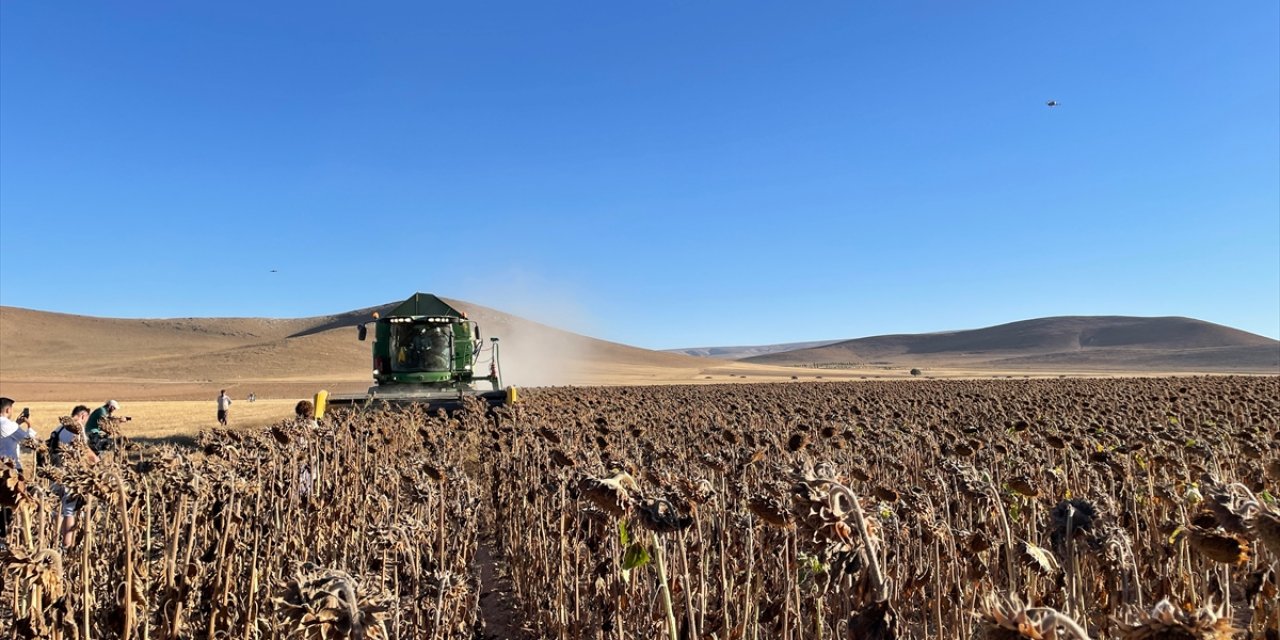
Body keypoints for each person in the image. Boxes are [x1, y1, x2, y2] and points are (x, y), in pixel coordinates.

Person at [50, 405, 99, 548]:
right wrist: (96, 461)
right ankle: (67, 544)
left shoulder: (59, 427)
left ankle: (52, 540)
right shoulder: (77, 428)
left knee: (56, 509)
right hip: (70, 474)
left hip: (55, 472)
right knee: (69, 509)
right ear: (83, 416)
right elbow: (82, 449)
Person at [0, 397, 38, 544]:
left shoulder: (9, 425)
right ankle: (12, 538)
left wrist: (16, 424)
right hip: (11, 471)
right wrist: (29, 425)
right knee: (14, 504)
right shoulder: (7, 424)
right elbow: (29, 441)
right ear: (8, 410)